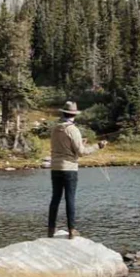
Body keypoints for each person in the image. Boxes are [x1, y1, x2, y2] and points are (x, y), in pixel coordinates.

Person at [48, 101, 97, 239]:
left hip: (55, 168)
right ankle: (72, 230)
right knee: (70, 198)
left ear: (63, 113)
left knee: (55, 199)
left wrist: (80, 142)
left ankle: (51, 230)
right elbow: (81, 152)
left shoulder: (55, 129)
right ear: (74, 114)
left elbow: (61, 147)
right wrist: (98, 146)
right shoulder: (73, 130)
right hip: (69, 169)